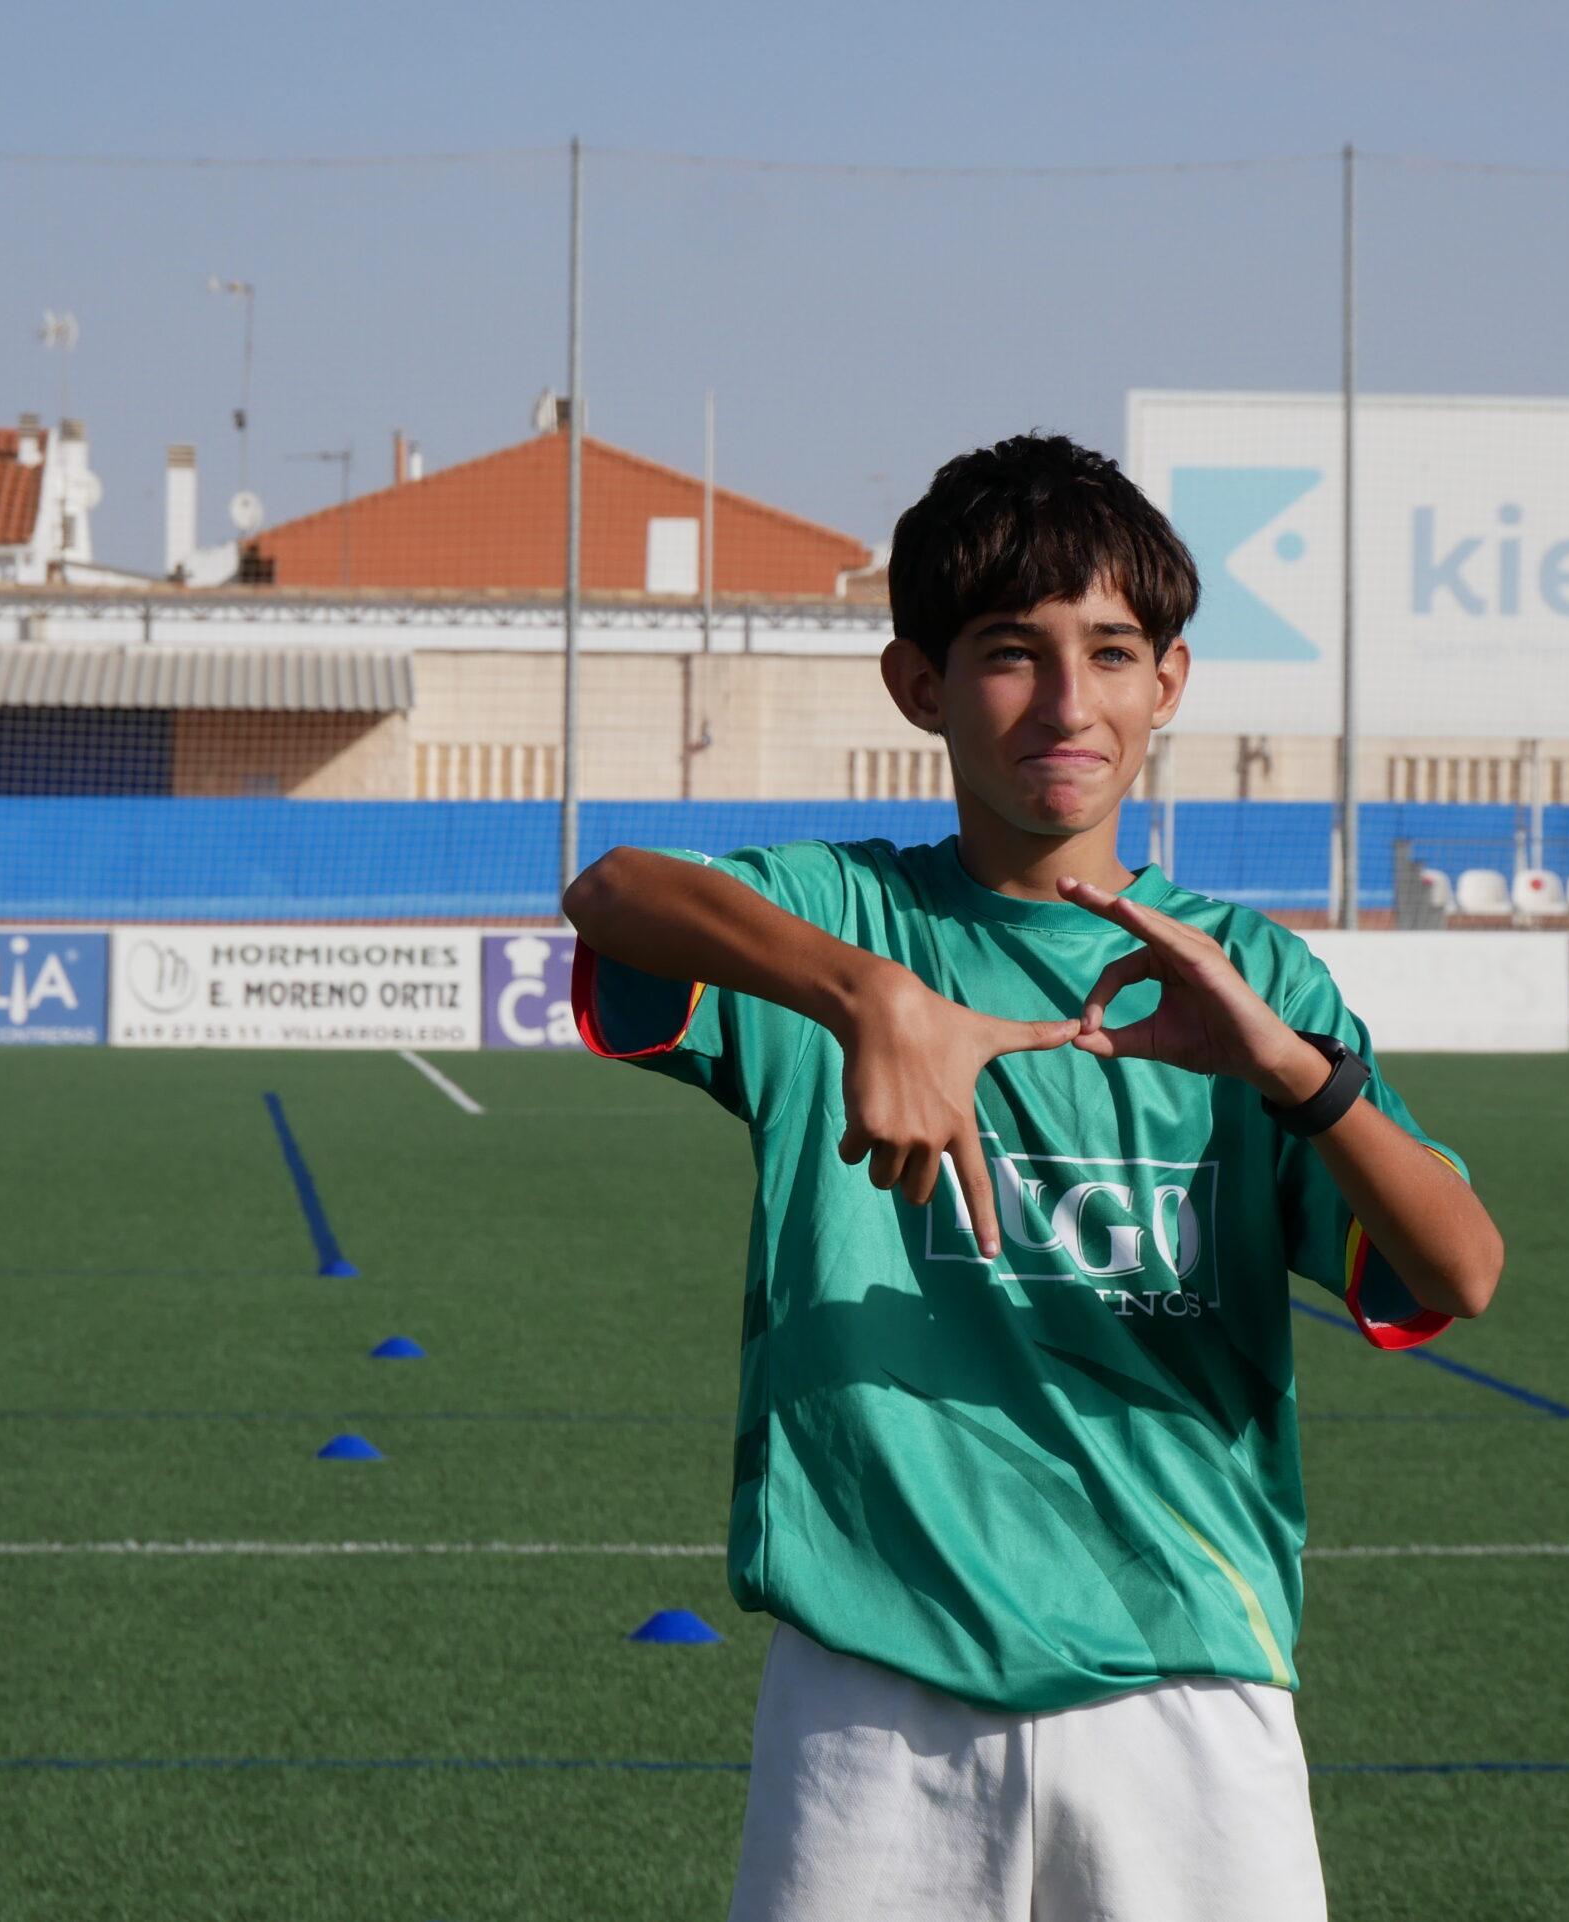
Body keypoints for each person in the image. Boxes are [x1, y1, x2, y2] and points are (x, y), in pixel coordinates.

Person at [563, 432, 1504, 1922]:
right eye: (1013, 652)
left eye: (1113, 652)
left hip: (1188, 1685)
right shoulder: (844, 916)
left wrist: (1294, 1073)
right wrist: (870, 998)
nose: (1070, 702)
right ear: (918, 685)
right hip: (873, 1693)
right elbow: (614, 893)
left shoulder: (1248, 972)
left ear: (1169, 683)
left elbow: (1461, 1269)